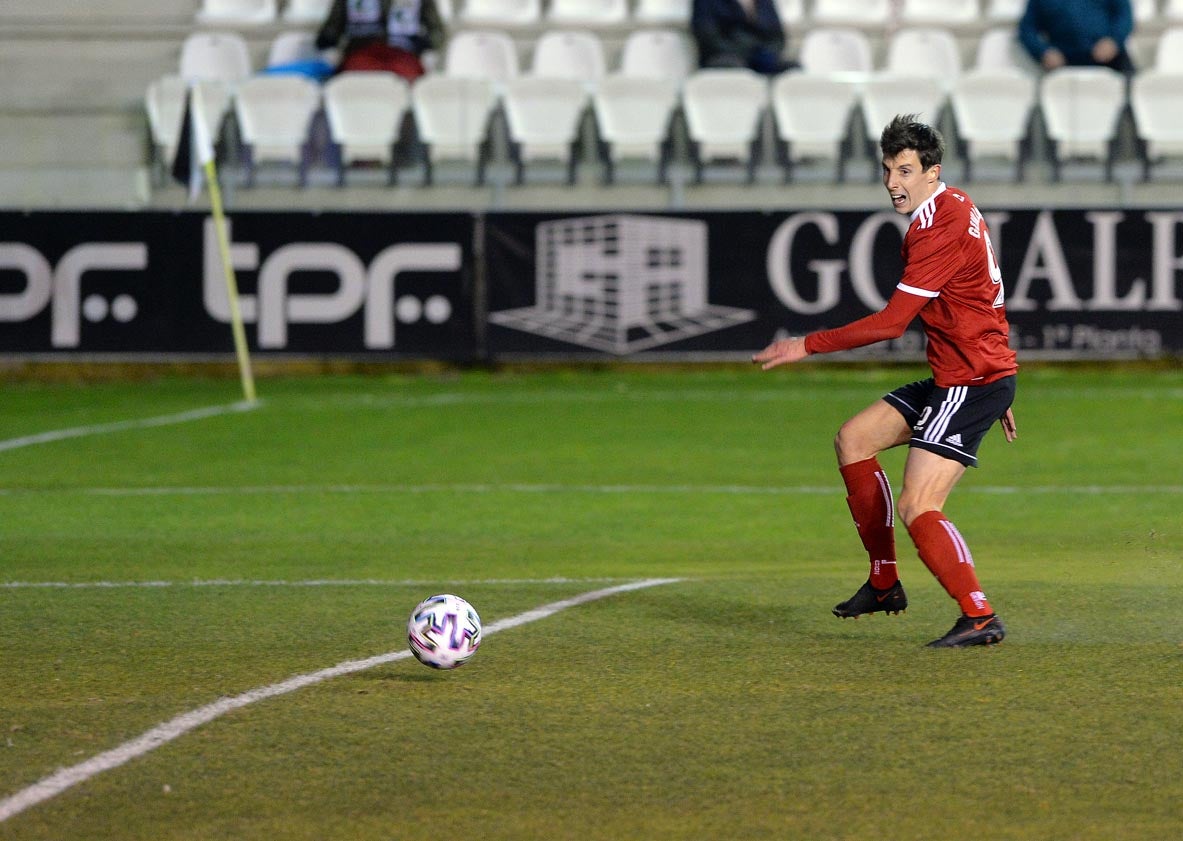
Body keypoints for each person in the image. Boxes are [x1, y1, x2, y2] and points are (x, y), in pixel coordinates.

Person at [753, 114, 1019, 649]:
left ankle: (980, 615)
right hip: (967, 376)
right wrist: (997, 374)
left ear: (931, 171)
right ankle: (883, 583)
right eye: (887, 170)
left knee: (920, 505)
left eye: (905, 170)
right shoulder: (953, 204)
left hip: (968, 381)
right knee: (854, 440)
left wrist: (806, 344)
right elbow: (983, 296)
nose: (893, 183)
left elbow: (891, 323)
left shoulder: (939, 228)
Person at [316, 0, 445, 81]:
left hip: (404, 55)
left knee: (409, 80)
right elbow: (330, 30)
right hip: (361, 53)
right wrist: (329, 48)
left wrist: (428, 48)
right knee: (354, 83)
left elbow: (438, 31)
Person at [1018, 0, 1135, 74]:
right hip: (1064, 62)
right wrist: (1043, 52)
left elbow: (1124, 16)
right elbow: (1027, 29)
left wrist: (1114, 41)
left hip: (1109, 60)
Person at [691, 0, 797, 75]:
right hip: (724, 56)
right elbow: (707, 37)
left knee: (792, 68)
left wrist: (766, 52)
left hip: (760, 56)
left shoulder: (764, 2)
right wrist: (747, 53)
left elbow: (777, 37)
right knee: (735, 66)